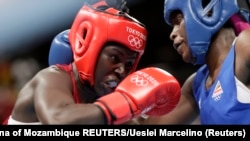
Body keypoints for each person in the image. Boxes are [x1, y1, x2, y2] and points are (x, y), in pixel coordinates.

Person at [2, 0, 181, 125]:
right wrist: (126, 103)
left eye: (128, 65)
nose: (121, 70)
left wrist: (191, 91)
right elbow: (58, 119)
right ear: (89, 49)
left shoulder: (105, 99)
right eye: (114, 58)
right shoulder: (52, 78)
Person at [144, 0, 250, 124]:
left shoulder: (244, 46)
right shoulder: (196, 83)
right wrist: (125, 105)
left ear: (209, 13)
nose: (172, 34)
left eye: (178, 21)